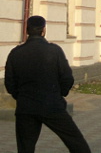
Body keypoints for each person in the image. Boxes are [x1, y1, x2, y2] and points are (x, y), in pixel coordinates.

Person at [4, 15, 91, 153]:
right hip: (52, 105)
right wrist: (59, 94)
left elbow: (9, 83)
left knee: (25, 148)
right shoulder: (54, 51)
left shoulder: (15, 53)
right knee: (76, 142)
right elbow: (67, 78)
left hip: (26, 108)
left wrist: (21, 97)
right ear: (43, 31)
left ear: (27, 31)